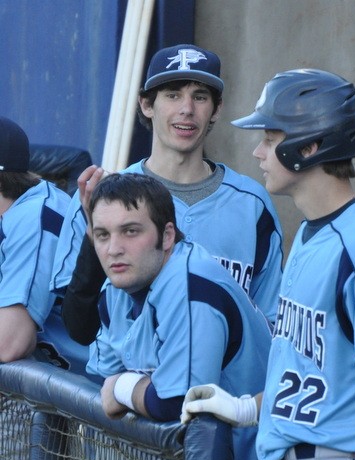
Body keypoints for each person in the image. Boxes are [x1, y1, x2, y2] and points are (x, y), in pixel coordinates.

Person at [181, 69, 355, 460]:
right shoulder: (311, 235)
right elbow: (315, 374)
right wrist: (247, 407)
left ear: (309, 147)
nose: (258, 153)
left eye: (270, 139)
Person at [52, 43, 283, 345]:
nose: (187, 109)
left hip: (222, 391)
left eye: (200, 97)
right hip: (124, 385)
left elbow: (269, 322)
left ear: (217, 109)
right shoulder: (101, 197)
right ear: (147, 105)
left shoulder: (252, 203)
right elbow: (75, 320)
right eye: (173, 95)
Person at [85, 172, 272, 460]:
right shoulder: (117, 289)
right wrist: (120, 385)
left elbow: (177, 401)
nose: (113, 249)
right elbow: (103, 375)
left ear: (168, 235)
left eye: (130, 231)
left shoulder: (190, 284)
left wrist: (122, 387)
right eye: (102, 235)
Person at [0, 116, 92, 376]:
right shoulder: (16, 212)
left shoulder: (33, 217)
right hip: (79, 396)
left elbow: (10, 342)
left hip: (117, 396)